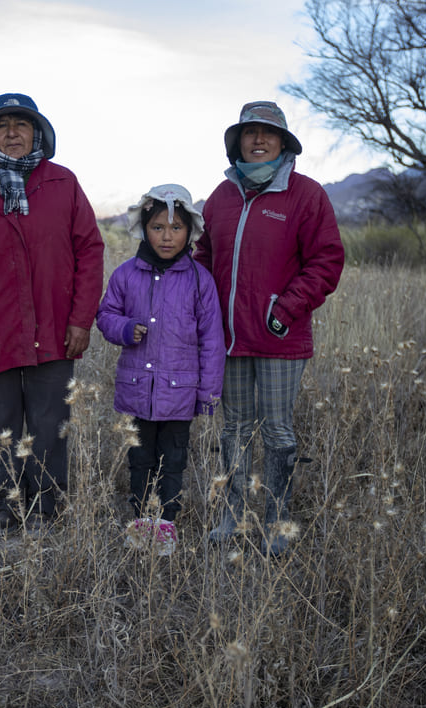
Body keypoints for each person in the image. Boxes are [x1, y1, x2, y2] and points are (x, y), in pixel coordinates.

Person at [0, 93, 104, 536]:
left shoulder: (63, 184)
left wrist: (81, 320)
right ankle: (8, 506)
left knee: (50, 425)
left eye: (22, 124)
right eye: (3, 124)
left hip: (55, 329)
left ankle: (48, 510)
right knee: (0, 425)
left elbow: (90, 250)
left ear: (37, 134)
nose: (12, 132)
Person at [194, 101, 344, 557]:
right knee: (234, 430)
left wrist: (286, 309)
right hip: (230, 341)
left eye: (268, 133)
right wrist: (198, 312)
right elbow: (203, 258)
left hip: (280, 338)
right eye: (249, 133)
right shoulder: (221, 197)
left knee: (278, 432)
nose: (258, 140)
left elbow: (326, 261)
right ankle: (233, 516)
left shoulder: (305, 195)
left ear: (283, 142)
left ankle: (279, 521)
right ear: (237, 141)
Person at [96, 185, 225, 556]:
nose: (166, 236)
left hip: (180, 393)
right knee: (140, 460)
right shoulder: (125, 274)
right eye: (157, 227)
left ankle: (165, 524)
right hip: (138, 390)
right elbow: (105, 315)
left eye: (175, 228)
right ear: (143, 228)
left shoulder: (200, 280)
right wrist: (124, 329)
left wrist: (208, 392)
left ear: (190, 232)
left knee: (173, 461)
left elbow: (212, 340)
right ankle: (140, 521)